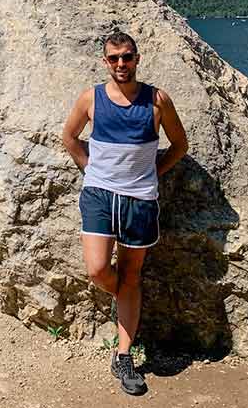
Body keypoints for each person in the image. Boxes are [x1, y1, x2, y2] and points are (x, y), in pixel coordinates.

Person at [62, 32, 189, 396]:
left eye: (127, 57)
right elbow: (69, 137)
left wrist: (154, 173)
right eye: (114, 58)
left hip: (140, 199)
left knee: (131, 274)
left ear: (137, 58)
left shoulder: (157, 100)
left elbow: (180, 145)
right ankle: (126, 300)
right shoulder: (92, 98)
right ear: (106, 61)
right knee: (98, 269)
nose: (121, 64)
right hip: (99, 195)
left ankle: (123, 354)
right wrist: (90, 169)